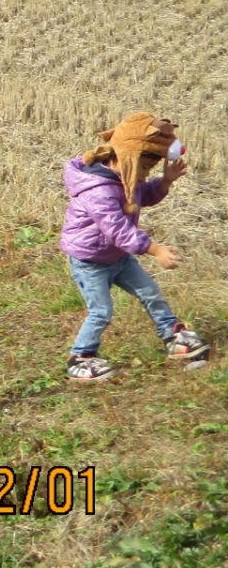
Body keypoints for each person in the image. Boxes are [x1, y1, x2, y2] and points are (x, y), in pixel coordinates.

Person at [61, 112, 209, 382]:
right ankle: (80, 358)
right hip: (90, 262)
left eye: (148, 171)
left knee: (150, 293)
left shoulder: (126, 177)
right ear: (125, 158)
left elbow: (143, 196)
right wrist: (155, 249)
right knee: (101, 312)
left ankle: (173, 336)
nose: (144, 176)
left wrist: (165, 181)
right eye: (143, 170)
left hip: (118, 256)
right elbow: (118, 230)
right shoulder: (98, 190)